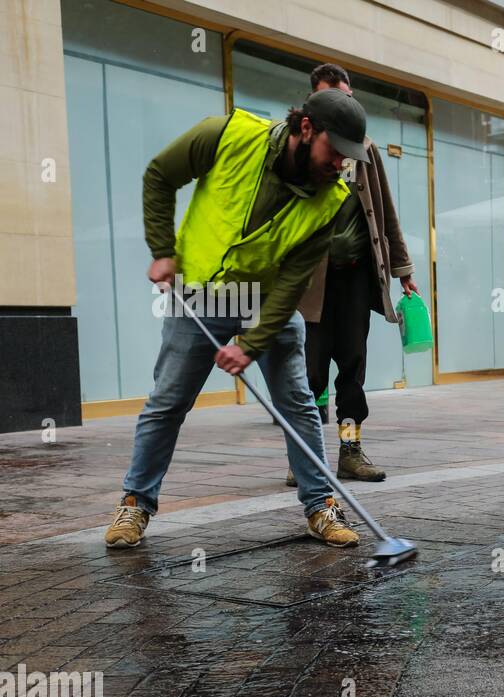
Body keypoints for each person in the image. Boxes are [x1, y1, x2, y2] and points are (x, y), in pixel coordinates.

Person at [104, 90, 366, 550]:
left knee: (298, 405)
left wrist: (253, 342)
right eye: (336, 151)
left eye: (350, 157)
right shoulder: (227, 134)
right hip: (202, 293)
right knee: (167, 402)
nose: (341, 164)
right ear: (306, 129)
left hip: (267, 300)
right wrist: (162, 249)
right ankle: (135, 503)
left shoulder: (333, 199)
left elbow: (293, 282)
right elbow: (160, 175)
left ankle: (321, 504)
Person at [287, 64, 418, 486]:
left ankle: (349, 450)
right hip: (308, 286)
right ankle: (303, 458)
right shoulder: (296, 148)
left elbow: (385, 209)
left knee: (352, 372)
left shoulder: (366, 148)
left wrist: (403, 270)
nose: (347, 105)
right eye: (336, 96)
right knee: (308, 374)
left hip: (355, 280)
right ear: (314, 102)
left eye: (350, 96)